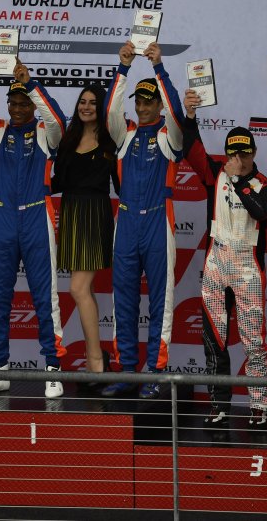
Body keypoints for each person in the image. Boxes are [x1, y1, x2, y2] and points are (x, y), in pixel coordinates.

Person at [0, 57, 67, 398]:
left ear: (32, 105)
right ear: (7, 104)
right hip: (2, 218)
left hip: (37, 217)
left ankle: (53, 369)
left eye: (24, 103)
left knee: (45, 298)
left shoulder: (45, 133)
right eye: (14, 103)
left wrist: (32, 85)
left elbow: (58, 121)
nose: (18, 109)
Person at [181, 90, 267, 428]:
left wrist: (238, 180)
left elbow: (260, 211)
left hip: (248, 270)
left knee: (254, 341)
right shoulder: (214, 174)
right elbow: (191, 147)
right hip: (216, 265)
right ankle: (218, 404)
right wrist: (190, 116)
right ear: (226, 153)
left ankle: (259, 404)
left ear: (254, 152)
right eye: (233, 153)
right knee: (214, 339)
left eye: (244, 152)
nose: (238, 158)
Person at [101, 41, 184, 400]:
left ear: (159, 104)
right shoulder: (126, 133)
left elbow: (177, 113)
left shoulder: (170, 135)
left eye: (150, 101)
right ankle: (126, 371)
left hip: (157, 223)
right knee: (123, 300)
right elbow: (109, 111)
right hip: (126, 223)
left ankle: (156, 372)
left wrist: (158, 68)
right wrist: (123, 67)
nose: (143, 106)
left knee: (160, 303)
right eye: (139, 101)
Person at [51, 85, 119, 391]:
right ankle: (96, 359)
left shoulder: (110, 139)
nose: (86, 107)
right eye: (82, 102)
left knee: (78, 288)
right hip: (71, 212)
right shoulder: (68, 138)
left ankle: (95, 361)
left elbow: (121, 183)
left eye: (92, 102)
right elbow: (60, 181)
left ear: (101, 107)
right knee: (83, 289)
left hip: (95, 213)